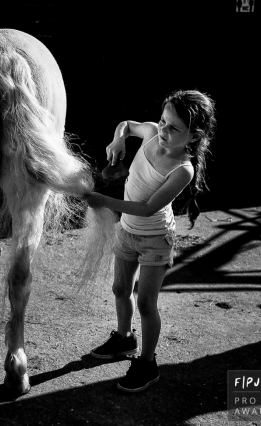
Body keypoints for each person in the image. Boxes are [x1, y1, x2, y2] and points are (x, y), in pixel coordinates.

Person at [84, 90, 216, 392]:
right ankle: (124, 339)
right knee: (119, 288)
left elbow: (147, 208)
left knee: (145, 302)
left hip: (155, 239)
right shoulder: (153, 135)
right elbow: (128, 125)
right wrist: (118, 138)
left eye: (174, 128)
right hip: (127, 231)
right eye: (163, 121)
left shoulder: (182, 169)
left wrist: (103, 200)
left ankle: (147, 362)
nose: (163, 131)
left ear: (193, 136)